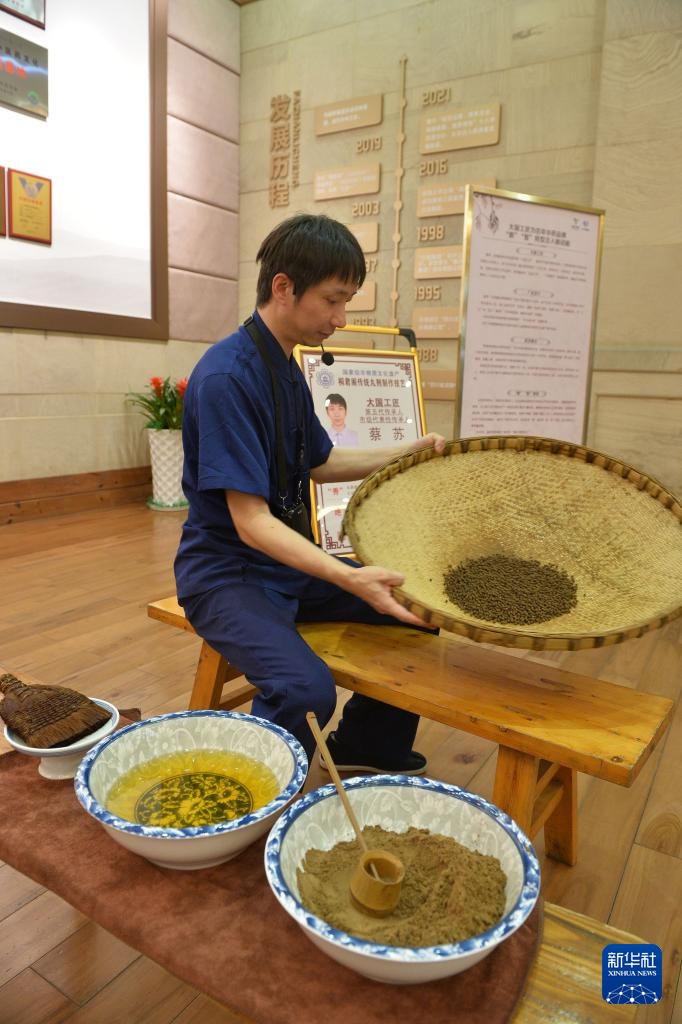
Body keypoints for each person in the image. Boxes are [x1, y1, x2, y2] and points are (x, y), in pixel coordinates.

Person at [174, 213, 446, 772]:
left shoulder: (284, 364)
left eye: (346, 301)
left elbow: (319, 462)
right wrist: (349, 577)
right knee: (305, 690)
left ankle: (366, 746)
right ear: (283, 287)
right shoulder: (227, 377)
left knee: (415, 607)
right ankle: (245, 789)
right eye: (332, 300)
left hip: (282, 564)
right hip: (226, 574)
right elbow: (250, 522)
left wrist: (407, 451)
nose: (341, 318)